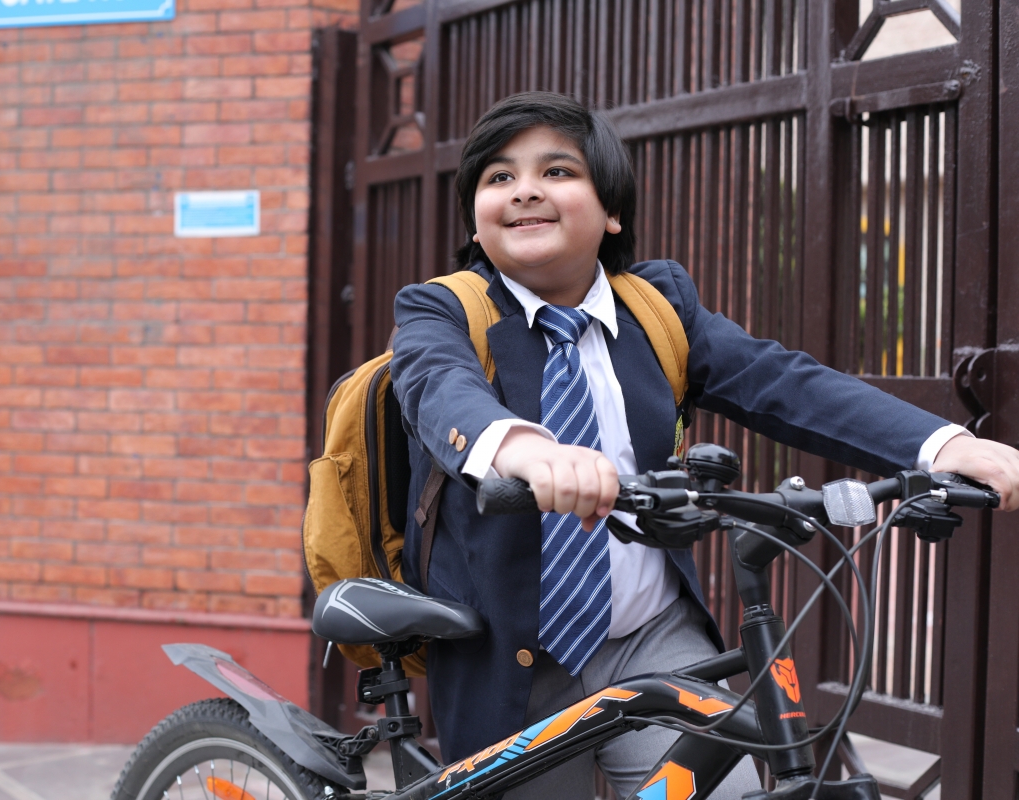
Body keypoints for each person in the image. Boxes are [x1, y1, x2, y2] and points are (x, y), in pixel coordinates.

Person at [389, 91, 1019, 799]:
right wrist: (525, 451)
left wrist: (942, 444)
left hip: (652, 634)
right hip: (507, 651)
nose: (525, 189)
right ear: (475, 220)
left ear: (612, 208)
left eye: (558, 171)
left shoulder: (659, 308)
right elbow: (440, 387)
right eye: (498, 177)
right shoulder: (439, 308)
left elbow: (785, 383)